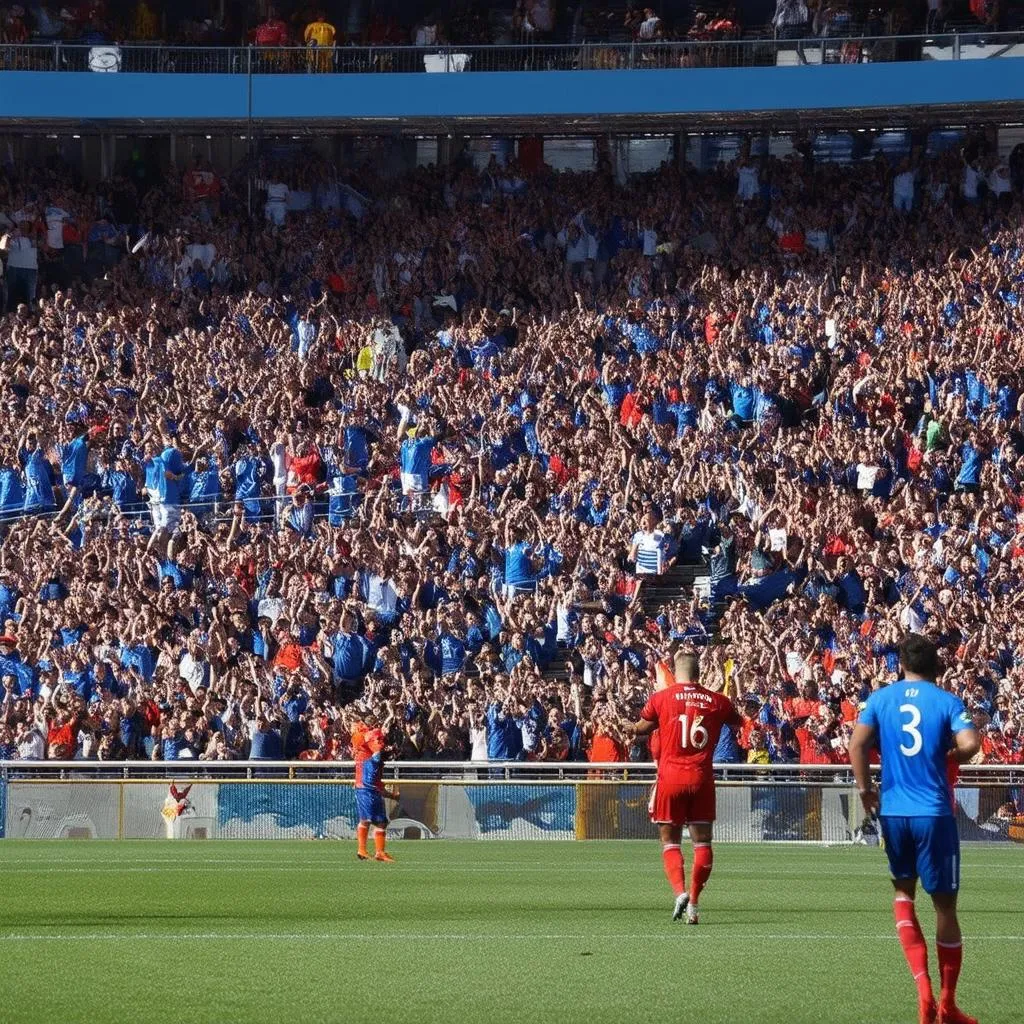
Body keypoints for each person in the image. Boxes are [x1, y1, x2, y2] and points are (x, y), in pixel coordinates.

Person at [848, 633, 981, 1024]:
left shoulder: (880, 699)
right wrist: (950, 753)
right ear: (936, 666)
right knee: (945, 906)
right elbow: (972, 744)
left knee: (904, 894)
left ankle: (922, 991)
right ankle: (947, 1003)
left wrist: (865, 791)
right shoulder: (947, 701)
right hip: (934, 813)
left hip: (894, 812)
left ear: (900, 664)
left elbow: (856, 746)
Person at [631, 651, 741, 924]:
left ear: (675, 671)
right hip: (702, 778)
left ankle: (679, 892)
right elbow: (737, 721)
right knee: (702, 842)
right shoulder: (717, 701)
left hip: (670, 778)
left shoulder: (661, 698)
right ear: (699, 672)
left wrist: (630, 726)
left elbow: (642, 727)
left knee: (670, 843)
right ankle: (693, 902)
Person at [352, 716, 400, 862]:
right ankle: (377, 852)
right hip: (367, 790)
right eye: (379, 740)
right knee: (377, 821)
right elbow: (377, 753)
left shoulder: (363, 753)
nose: (382, 742)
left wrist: (390, 795)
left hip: (363, 788)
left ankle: (364, 850)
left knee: (368, 820)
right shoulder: (372, 757)